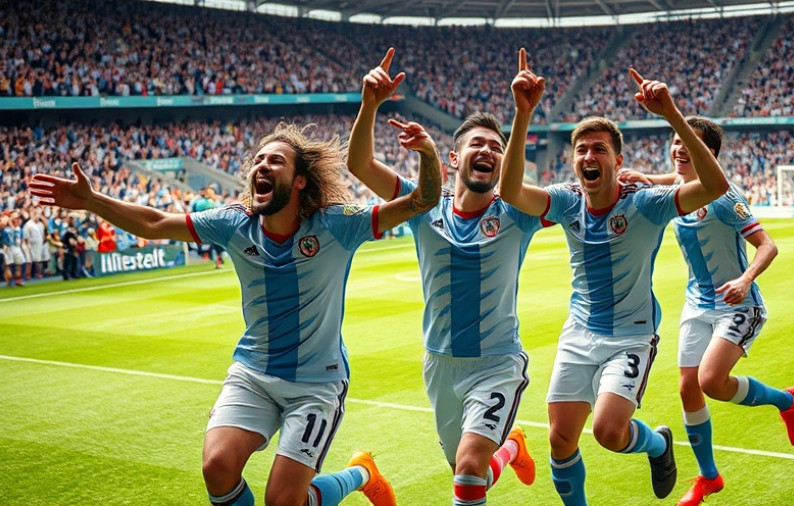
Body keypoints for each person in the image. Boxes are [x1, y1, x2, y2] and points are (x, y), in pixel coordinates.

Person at [29, 121, 444, 506]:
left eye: (275, 161)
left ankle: (359, 473)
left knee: (283, 501)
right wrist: (90, 200)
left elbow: (423, 200)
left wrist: (427, 154)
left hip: (317, 383)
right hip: (253, 374)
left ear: (300, 180)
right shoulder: (233, 223)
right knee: (217, 468)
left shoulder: (336, 224)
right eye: (259, 160)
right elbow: (156, 223)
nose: (262, 165)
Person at [498, 54, 730, 504]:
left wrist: (672, 116)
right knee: (560, 439)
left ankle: (658, 445)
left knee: (607, 432)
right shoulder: (566, 201)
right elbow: (510, 192)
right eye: (581, 150)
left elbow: (715, 185)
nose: (588, 156)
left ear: (617, 160)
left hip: (630, 337)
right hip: (578, 333)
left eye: (599, 149)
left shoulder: (645, 203)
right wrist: (523, 114)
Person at [347, 48, 539, 506]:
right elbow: (359, 166)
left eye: (496, 147)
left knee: (470, 468)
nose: (488, 151)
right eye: (478, 144)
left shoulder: (518, 213)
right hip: (440, 362)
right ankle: (513, 447)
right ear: (454, 158)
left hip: (496, 362)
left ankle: (502, 448)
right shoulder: (422, 205)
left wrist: (521, 115)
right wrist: (370, 104)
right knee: (466, 472)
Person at [618, 117, 794, 506]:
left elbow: (767, 245)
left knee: (710, 381)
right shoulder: (676, 190)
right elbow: (673, 178)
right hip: (696, 304)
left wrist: (745, 279)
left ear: (710, 154)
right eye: (676, 141)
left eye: (690, 143)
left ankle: (786, 400)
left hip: (738, 303)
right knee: (688, 386)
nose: (679, 148)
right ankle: (709, 477)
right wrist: (646, 178)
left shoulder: (724, 197)